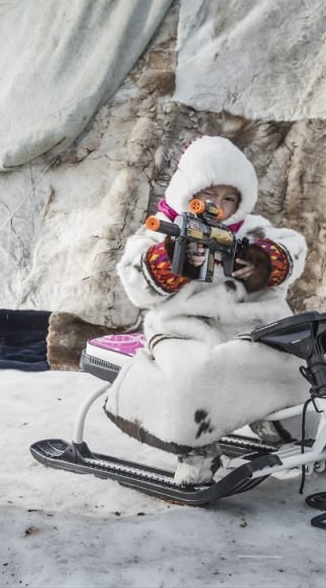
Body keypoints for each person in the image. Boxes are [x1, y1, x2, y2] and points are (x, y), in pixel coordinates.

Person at [106, 136, 310, 485]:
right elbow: (135, 277)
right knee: (191, 373)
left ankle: (282, 422)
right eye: (209, 196)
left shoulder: (252, 229)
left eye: (229, 198)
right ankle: (196, 451)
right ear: (189, 193)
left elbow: (294, 248)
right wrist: (172, 261)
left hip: (247, 324)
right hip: (184, 329)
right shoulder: (161, 229)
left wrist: (263, 261)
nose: (219, 206)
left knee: (287, 359)